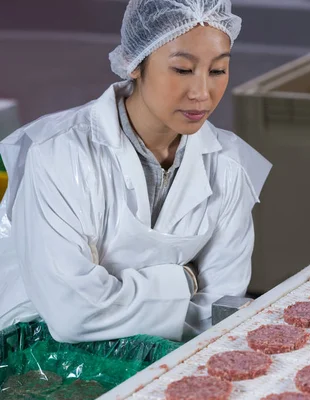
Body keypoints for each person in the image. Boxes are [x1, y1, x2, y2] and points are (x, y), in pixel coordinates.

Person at [0, 0, 271, 343]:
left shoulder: (230, 166)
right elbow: (72, 317)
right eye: (183, 69)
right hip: (35, 359)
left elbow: (217, 313)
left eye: (217, 71)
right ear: (134, 63)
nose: (202, 92)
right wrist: (185, 281)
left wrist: (114, 295)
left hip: (167, 367)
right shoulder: (57, 154)